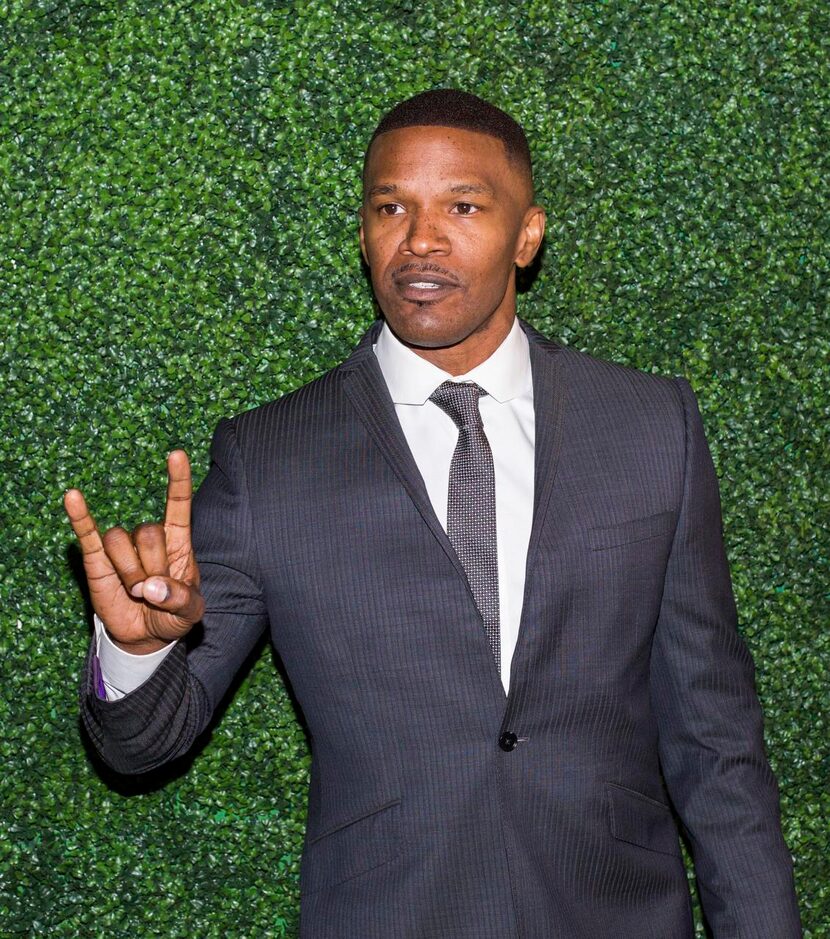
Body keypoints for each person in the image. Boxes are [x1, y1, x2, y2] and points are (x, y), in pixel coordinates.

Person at [65, 90, 801, 938]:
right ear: (365, 231)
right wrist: (136, 648)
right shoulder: (272, 455)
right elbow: (141, 745)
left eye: (462, 205)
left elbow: (718, 747)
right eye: (391, 207)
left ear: (527, 235)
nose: (420, 238)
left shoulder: (649, 426)